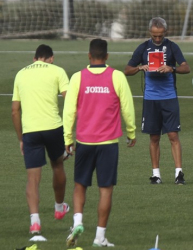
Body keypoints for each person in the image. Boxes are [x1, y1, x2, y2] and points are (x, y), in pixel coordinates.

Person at [63, 39, 136, 247]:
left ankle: (77, 222)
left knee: (80, 185)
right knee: (105, 190)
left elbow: (68, 111)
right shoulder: (117, 76)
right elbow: (127, 108)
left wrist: (67, 139)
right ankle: (100, 237)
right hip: (109, 143)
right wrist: (131, 133)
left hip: (84, 141)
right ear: (107, 56)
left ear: (89, 56)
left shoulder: (77, 77)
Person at [11, 44, 70, 234]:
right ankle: (59, 208)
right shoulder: (58, 71)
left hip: (31, 132)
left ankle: (35, 222)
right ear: (51, 58)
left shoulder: (21, 74)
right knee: (58, 166)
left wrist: (21, 139)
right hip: (53, 128)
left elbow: (14, 111)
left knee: (33, 178)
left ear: (34, 58)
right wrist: (69, 134)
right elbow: (69, 102)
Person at [125, 17, 190, 185]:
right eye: (155, 36)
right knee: (154, 137)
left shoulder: (172, 47)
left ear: (165, 33)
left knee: (173, 135)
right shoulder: (143, 48)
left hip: (169, 97)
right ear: (150, 33)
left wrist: (172, 68)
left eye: (160, 36)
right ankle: (156, 174)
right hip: (150, 99)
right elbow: (127, 70)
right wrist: (140, 67)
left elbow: (186, 67)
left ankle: (179, 173)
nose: (158, 39)